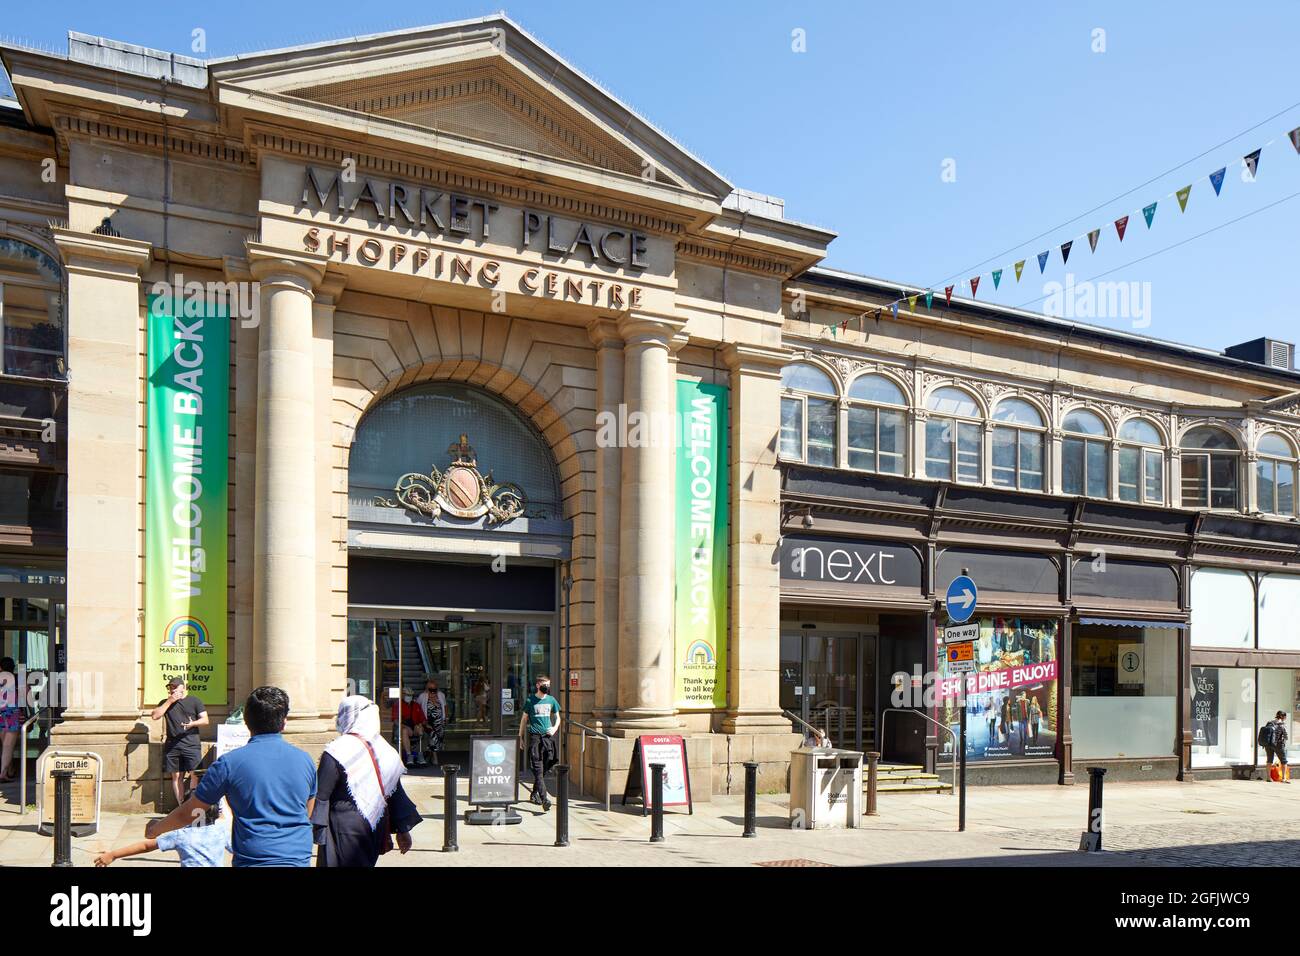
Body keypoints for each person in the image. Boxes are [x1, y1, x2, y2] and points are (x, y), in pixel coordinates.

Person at [146, 685, 317, 867]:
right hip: (298, 858)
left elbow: (191, 812)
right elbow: (307, 811)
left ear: (246, 721)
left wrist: (155, 829)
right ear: (284, 722)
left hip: (254, 860)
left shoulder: (228, 763)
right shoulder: (305, 760)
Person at [312, 696, 421, 867]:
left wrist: (316, 832)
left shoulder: (337, 750)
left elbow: (321, 795)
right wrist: (403, 830)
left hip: (340, 829)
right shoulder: (385, 750)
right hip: (374, 827)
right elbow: (395, 793)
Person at [95, 798, 232, 868]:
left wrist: (113, 855)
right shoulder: (221, 831)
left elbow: (146, 846)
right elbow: (238, 849)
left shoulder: (181, 835)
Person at [149, 676, 208, 807]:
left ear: (183, 687)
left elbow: (205, 720)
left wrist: (193, 724)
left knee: (195, 774)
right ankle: (181, 807)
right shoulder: (165, 702)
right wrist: (169, 701)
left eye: (175, 687)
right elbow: (155, 715)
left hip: (191, 743)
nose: (173, 689)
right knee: (176, 777)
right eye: (170, 687)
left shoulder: (194, 701)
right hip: (173, 745)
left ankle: (192, 806)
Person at [517, 674, 560, 810]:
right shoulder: (530, 701)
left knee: (546, 766)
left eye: (548, 685)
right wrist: (520, 737)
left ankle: (534, 793)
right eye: (544, 685)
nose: (546, 687)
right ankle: (544, 799)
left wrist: (554, 728)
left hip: (548, 738)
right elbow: (524, 720)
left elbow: (558, 717)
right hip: (535, 738)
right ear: (538, 685)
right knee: (538, 768)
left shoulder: (551, 700)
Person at [415, 679, 446, 767]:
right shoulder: (423, 696)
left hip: (439, 722)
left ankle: (429, 753)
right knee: (433, 736)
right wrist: (422, 722)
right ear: (427, 688)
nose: (432, 691)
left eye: (434, 689)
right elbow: (417, 708)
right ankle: (435, 758)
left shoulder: (441, 695)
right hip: (427, 723)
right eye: (430, 689)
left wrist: (445, 718)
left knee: (439, 739)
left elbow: (445, 707)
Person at [0, 658, 22, 782]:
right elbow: (26, 695)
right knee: (8, 745)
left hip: (1, 714)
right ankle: (4, 772)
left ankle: (9, 770)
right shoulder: (18, 679)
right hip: (12, 714)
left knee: (5, 745)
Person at [391, 689, 425, 767]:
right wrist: (405, 726)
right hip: (403, 727)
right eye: (407, 695)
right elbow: (395, 720)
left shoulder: (416, 705)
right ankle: (409, 755)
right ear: (403, 695)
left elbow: (422, 719)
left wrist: (420, 725)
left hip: (414, 727)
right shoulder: (398, 705)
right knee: (405, 731)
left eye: (410, 695)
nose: (409, 697)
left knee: (420, 729)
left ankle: (420, 754)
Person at [1260, 710, 1291, 783]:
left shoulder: (1270, 722)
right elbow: (1286, 736)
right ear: (1283, 717)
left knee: (1269, 760)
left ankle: (1268, 777)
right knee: (1284, 761)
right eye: (1285, 717)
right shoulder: (1282, 724)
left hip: (1268, 744)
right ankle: (1283, 778)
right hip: (1278, 744)